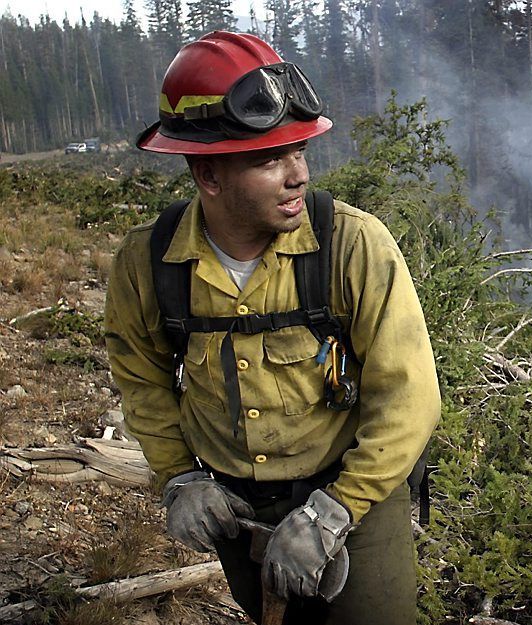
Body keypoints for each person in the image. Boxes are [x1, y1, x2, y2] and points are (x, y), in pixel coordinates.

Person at [104, 31, 440, 625]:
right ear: (209, 174)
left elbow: (408, 396)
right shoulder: (147, 264)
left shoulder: (352, 245)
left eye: (301, 153)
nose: (297, 176)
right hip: (237, 505)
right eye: (269, 160)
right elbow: (142, 379)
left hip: (354, 491)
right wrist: (180, 477)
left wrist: (335, 511)